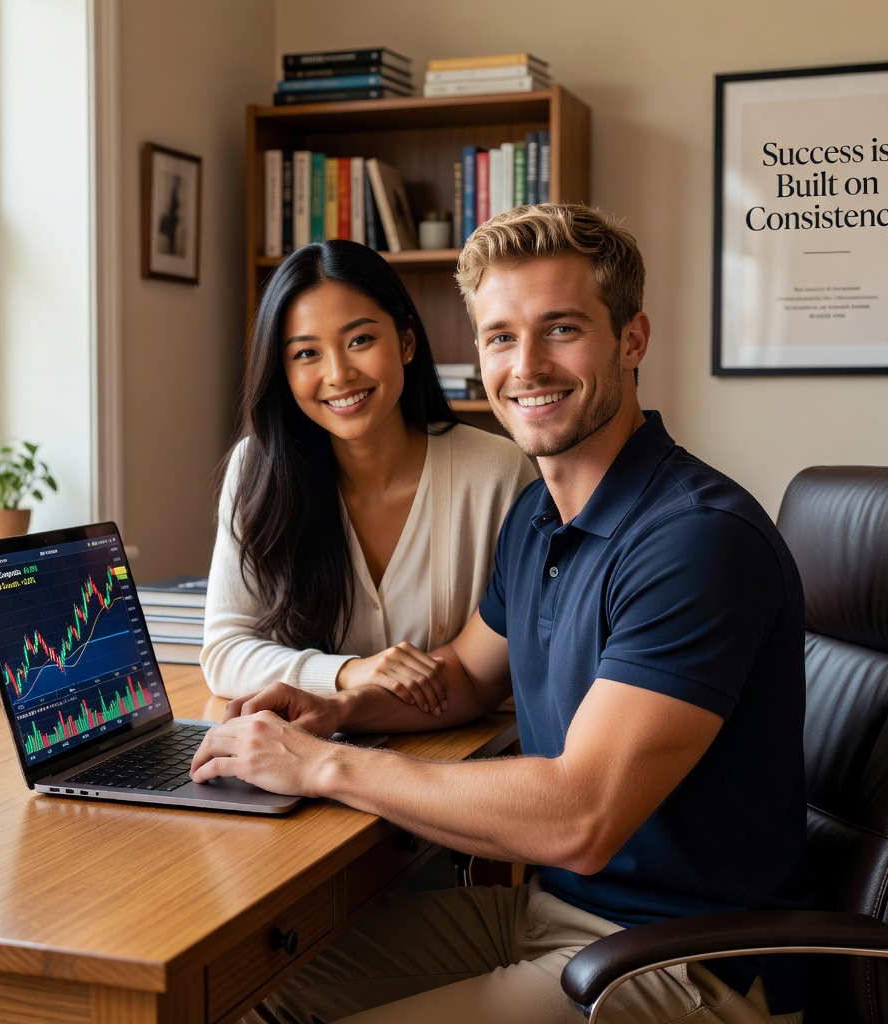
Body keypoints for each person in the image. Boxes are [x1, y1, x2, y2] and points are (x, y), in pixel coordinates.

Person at [191, 205, 811, 1024]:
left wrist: (324, 765)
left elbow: (581, 815)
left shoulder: (696, 540)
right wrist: (335, 707)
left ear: (632, 340)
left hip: (688, 957)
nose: (527, 366)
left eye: (561, 329)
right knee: (247, 999)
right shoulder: (538, 517)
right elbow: (457, 682)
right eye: (500, 337)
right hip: (551, 915)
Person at [200, 238, 537, 710]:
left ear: (406, 342)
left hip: (464, 756)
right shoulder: (256, 469)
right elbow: (224, 651)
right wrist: (346, 673)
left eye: (360, 340)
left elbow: (521, 659)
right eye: (306, 354)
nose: (338, 374)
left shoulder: (496, 473)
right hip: (312, 755)